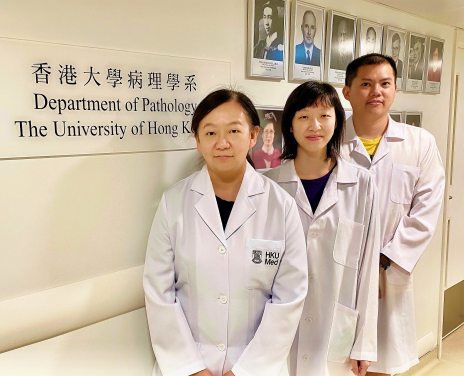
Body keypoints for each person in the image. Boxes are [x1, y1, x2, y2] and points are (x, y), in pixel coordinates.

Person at [143, 88, 308, 376]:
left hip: (257, 366)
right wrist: (191, 368)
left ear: (253, 135)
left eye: (233, 130)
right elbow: (159, 292)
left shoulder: (281, 206)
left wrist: (245, 371)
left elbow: (289, 298)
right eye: (209, 133)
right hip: (189, 364)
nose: (222, 143)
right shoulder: (174, 202)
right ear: (197, 141)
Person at [265, 81, 381, 376]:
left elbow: (367, 268)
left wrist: (364, 344)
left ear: (338, 122)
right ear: (289, 125)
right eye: (303, 116)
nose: (314, 125)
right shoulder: (267, 185)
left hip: (335, 329)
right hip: (277, 329)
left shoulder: (362, 184)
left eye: (324, 115)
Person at [341, 54, 445, 375]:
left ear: (395, 89)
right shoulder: (329, 143)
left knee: (382, 360)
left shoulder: (419, 143)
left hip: (390, 274)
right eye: (366, 84)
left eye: (385, 84)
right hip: (339, 270)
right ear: (347, 91)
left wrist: (385, 262)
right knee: (336, 360)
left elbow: (426, 210)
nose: (377, 91)